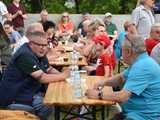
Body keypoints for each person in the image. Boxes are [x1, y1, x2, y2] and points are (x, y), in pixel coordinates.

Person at [85, 34, 160, 120]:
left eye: (121, 50)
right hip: (134, 113)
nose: (120, 53)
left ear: (128, 52)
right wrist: (102, 82)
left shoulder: (142, 66)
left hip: (143, 117)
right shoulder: (141, 61)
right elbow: (121, 78)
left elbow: (123, 96)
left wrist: (98, 95)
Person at [0, 31, 70, 120]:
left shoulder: (39, 52)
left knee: (50, 97)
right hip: (15, 98)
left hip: (28, 92)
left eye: (45, 45)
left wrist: (65, 76)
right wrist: (64, 75)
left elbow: (49, 69)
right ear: (30, 44)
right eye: (40, 45)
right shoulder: (24, 54)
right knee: (47, 104)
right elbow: (42, 78)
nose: (43, 48)